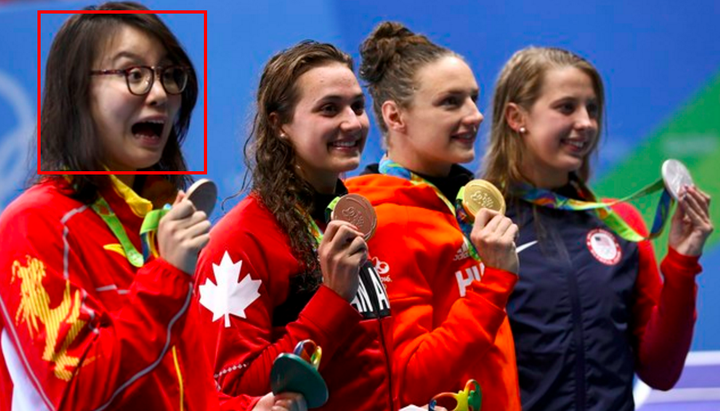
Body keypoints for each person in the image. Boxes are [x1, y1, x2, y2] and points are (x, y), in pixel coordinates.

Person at [0, 2, 302, 410]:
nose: (159, 94)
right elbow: (76, 395)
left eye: (169, 76)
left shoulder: (152, 222)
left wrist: (246, 409)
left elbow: (179, 390)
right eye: (134, 75)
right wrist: (166, 276)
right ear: (77, 93)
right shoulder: (33, 225)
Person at [482, 46, 714, 410]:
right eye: (566, 107)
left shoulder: (621, 226)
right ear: (516, 117)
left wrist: (683, 263)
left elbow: (661, 371)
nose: (586, 122)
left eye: (592, 108)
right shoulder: (479, 227)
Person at [193, 40, 397, 411]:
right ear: (280, 125)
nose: (352, 122)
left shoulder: (352, 218)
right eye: (329, 109)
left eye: (357, 106)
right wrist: (332, 299)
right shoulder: (239, 242)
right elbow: (235, 385)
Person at [345, 22, 521, 410]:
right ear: (395, 117)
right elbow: (409, 378)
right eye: (450, 102)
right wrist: (495, 282)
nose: (475, 115)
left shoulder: (458, 204)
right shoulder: (384, 221)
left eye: (474, 98)